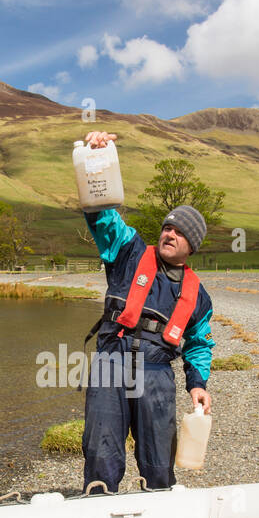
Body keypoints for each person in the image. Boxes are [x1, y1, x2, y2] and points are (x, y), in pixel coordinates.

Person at [79, 130, 214, 493]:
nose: (169, 233)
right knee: (101, 451)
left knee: (158, 458)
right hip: (111, 360)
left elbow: (199, 343)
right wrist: (97, 162)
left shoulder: (197, 294)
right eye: (167, 227)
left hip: (157, 373)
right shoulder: (130, 250)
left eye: (179, 231)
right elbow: (101, 215)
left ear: (192, 246)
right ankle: (98, 503)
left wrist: (198, 384)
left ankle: (157, 504)